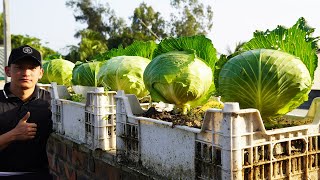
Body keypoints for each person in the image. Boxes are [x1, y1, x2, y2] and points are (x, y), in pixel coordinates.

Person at [0, 45, 53, 179]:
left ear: (40, 73)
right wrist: (13, 135)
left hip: (40, 175)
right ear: (8, 71)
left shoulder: (50, 102)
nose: (26, 73)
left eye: (32, 68)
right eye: (19, 67)